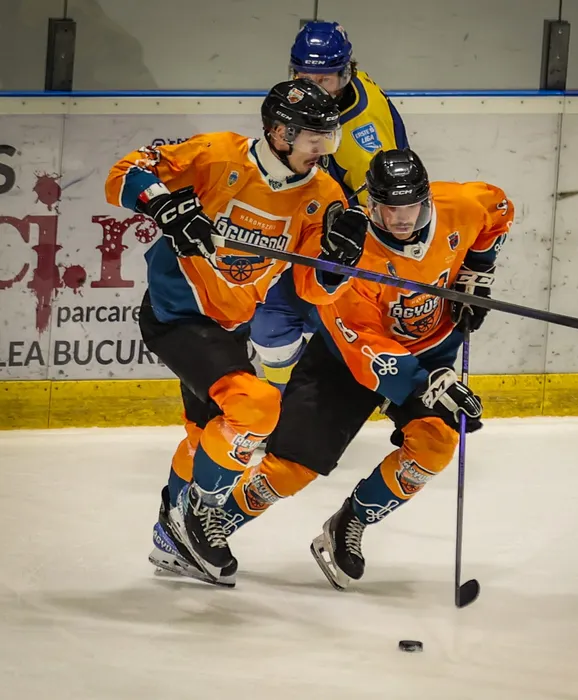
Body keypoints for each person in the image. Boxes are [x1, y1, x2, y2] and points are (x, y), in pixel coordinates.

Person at [195, 148, 514, 589]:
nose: (401, 219)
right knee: (292, 466)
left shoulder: (459, 205)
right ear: (370, 204)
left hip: (429, 349)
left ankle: (351, 521)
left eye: (411, 207)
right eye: (389, 208)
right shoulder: (350, 253)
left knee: (436, 443)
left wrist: (476, 272)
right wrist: (427, 387)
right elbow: (366, 346)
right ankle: (209, 524)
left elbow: (499, 207)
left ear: (427, 199)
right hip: (346, 359)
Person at [104, 79, 369, 585]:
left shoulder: (323, 195)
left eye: (329, 136)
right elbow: (124, 173)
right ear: (279, 132)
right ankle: (199, 514)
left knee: (206, 433)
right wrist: (163, 205)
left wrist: (338, 263)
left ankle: (168, 533)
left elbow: (314, 290)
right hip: (177, 314)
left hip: (231, 323)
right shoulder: (219, 154)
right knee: (256, 406)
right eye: (314, 135)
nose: (323, 147)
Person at [250, 20, 410, 393]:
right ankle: (283, 402)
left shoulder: (359, 135)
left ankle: (298, 403)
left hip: (345, 246)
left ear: (345, 73)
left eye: (325, 80)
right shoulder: (327, 99)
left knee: (290, 320)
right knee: (269, 321)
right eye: (305, 78)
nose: (314, 88)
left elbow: (385, 212)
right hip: (310, 229)